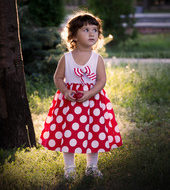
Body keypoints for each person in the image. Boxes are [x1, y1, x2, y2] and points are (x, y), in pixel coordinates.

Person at [39, 12, 123, 178]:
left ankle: (92, 167)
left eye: (95, 30)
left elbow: (101, 80)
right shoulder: (67, 58)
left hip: (93, 103)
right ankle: (69, 168)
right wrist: (65, 91)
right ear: (74, 36)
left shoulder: (96, 58)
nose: (92, 33)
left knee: (94, 134)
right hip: (70, 103)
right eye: (86, 30)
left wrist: (90, 93)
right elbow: (58, 77)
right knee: (68, 133)